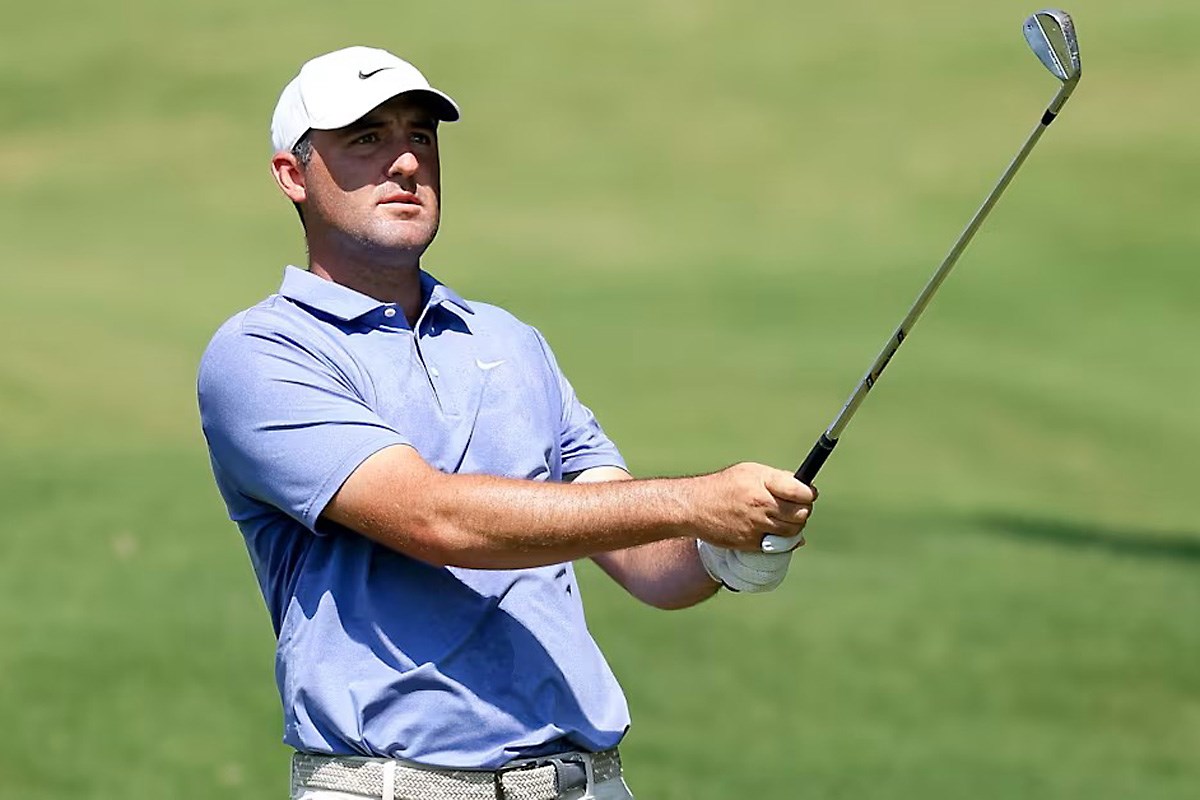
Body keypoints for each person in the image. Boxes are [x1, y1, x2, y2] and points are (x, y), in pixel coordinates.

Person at [197, 46, 817, 800]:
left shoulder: (508, 341)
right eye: (367, 139)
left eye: (420, 136)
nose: (405, 162)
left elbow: (648, 563)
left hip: (583, 784)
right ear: (292, 176)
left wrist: (725, 549)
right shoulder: (263, 353)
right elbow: (434, 520)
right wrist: (694, 500)